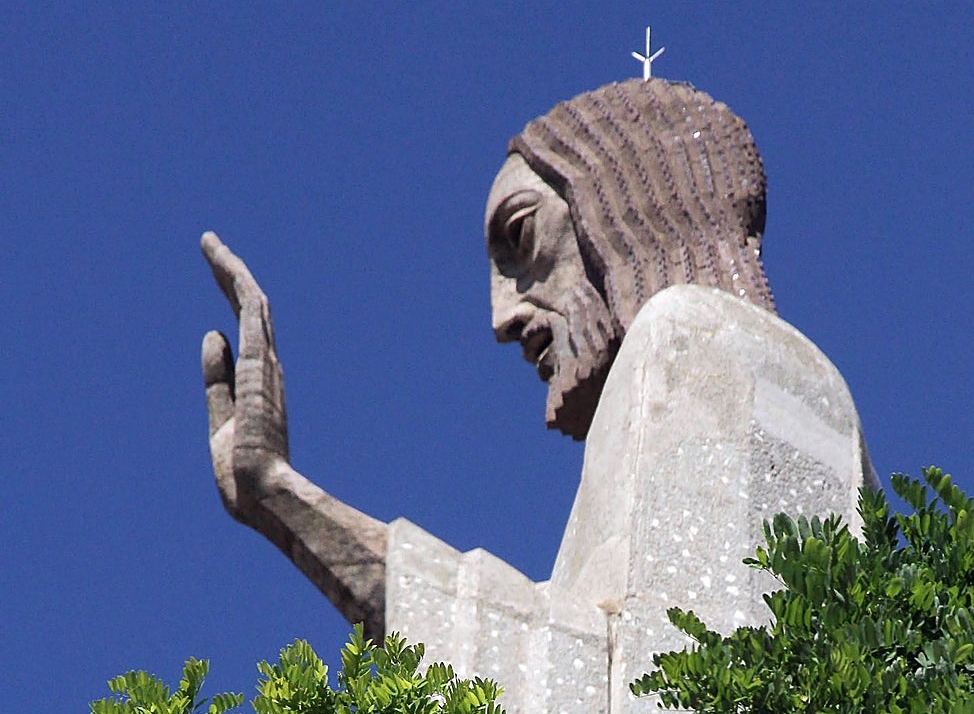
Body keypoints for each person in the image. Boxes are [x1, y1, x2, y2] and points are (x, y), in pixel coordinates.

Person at [200, 79, 782, 644]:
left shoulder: (708, 348)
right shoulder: (626, 451)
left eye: (522, 235)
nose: (502, 316)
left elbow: (647, 660)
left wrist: (278, 493)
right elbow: (569, 665)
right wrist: (274, 492)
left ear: (626, 209)